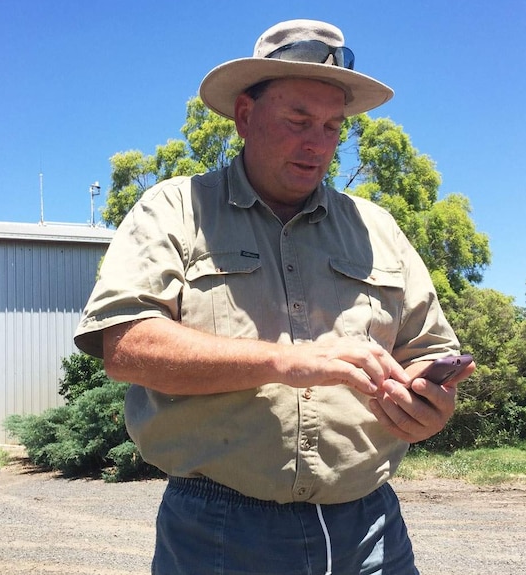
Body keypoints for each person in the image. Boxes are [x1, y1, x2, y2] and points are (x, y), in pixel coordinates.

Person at [75, 19, 475, 575]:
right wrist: (287, 361)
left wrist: (432, 405)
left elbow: (428, 350)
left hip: (370, 529)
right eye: (298, 120)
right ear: (245, 115)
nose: (318, 142)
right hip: (218, 526)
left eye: (334, 126)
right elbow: (125, 344)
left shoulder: (378, 228)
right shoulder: (174, 210)